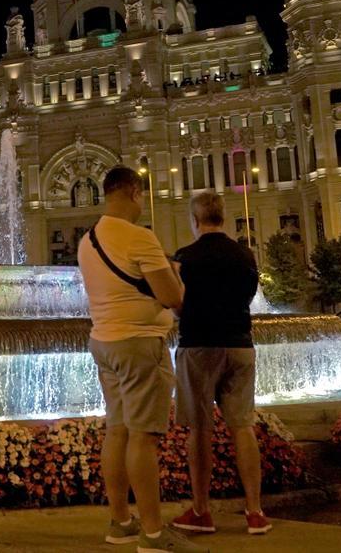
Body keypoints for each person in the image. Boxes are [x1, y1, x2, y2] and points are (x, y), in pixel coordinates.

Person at [78, 167, 205, 553]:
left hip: (104, 342)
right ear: (134, 192)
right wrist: (176, 277)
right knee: (143, 438)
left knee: (116, 431)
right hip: (140, 345)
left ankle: (120, 522)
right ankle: (153, 533)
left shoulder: (88, 240)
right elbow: (172, 298)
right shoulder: (139, 237)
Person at [171, 191, 272, 535]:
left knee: (200, 430)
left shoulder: (186, 257)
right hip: (240, 346)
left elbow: (177, 303)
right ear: (223, 219)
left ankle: (201, 511)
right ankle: (255, 512)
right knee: (242, 426)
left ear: (195, 220)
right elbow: (247, 297)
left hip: (199, 347)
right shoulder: (245, 255)